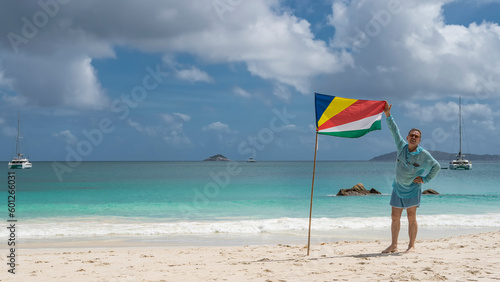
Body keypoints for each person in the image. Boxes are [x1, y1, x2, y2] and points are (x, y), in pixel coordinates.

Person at [382, 102, 440, 253]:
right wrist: (388, 114)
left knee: (411, 217)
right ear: (407, 137)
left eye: (417, 136)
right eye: (412, 135)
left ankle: (411, 246)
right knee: (395, 217)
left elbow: (436, 166)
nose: (413, 137)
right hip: (397, 188)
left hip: (412, 190)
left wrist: (425, 179)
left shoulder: (423, 155)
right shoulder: (401, 146)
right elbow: (394, 130)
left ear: (420, 140)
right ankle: (394, 245)